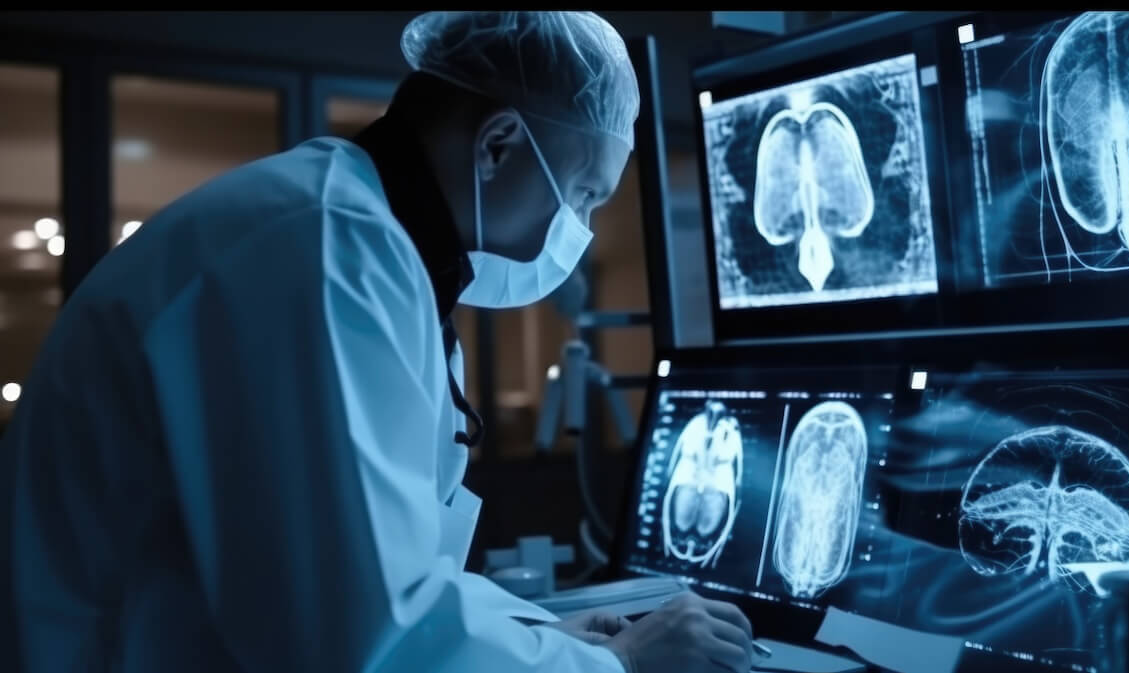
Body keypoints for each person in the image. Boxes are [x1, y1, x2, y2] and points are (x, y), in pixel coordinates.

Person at [1, 10, 755, 673]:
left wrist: (540, 634)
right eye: (582, 194)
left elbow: (387, 573)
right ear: (497, 146)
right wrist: (617, 662)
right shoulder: (332, 252)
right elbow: (366, 639)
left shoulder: (362, 237)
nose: (579, 236)